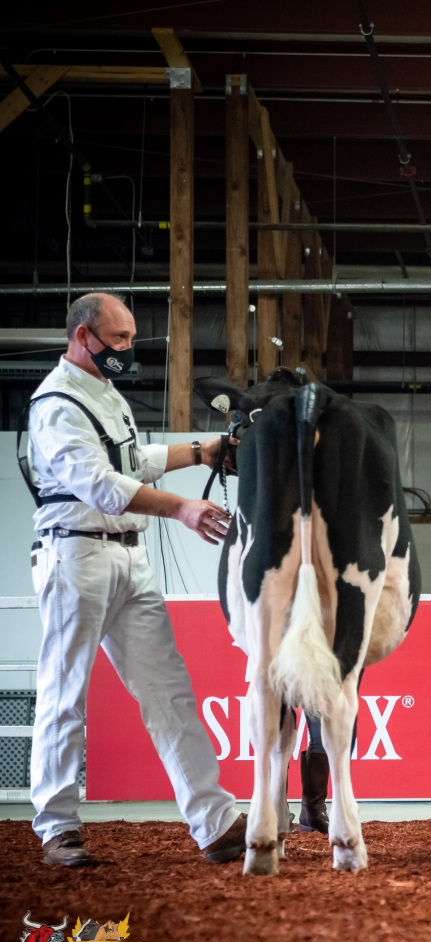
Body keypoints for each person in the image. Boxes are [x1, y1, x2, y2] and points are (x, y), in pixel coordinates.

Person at [25, 292, 244, 868]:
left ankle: (216, 822)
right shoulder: (56, 403)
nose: (127, 348)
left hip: (126, 555)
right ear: (83, 336)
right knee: (65, 694)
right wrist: (181, 508)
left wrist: (201, 450)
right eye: (118, 338)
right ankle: (56, 827)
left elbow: (130, 463)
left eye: (129, 338)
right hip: (75, 554)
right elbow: (99, 485)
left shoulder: (106, 394)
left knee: (169, 690)